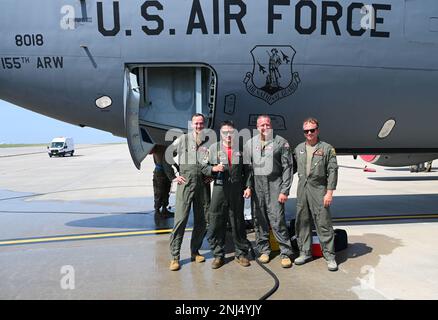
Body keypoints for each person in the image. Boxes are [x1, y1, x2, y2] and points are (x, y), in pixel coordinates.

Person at [202, 121, 252, 269]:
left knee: (237, 221)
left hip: (236, 189)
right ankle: (218, 255)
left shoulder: (241, 149)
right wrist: (214, 168)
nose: (228, 135)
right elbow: (204, 167)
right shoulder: (213, 148)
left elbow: (248, 170)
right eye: (225, 132)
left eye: (231, 132)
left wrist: (248, 186)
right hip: (219, 189)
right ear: (221, 133)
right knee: (217, 221)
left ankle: (241, 254)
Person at [245, 115, 294, 268]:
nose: (264, 128)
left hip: (275, 186)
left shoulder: (281, 142)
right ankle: (264, 250)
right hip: (258, 188)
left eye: (267, 124)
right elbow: (248, 169)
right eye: (261, 125)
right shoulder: (250, 144)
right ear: (257, 127)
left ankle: (285, 252)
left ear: (271, 126)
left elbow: (288, 168)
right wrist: (248, 186)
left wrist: (284, 190)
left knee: (277, 220)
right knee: (260, 221)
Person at [166, 113, 211, 271]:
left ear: (204, 124)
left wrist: (210, 176)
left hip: (203, 186)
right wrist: (174, 176)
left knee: (203, 220)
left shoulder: (208, 140)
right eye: (196, 123)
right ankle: (175, 257)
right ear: (191, 124)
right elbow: (167, 156)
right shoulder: (183, 139)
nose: (199, 126)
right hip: (186, 184)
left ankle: (195, 251)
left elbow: (212, 161)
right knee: (181, 220)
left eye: (201, 123)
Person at [293, 117, 339, 271]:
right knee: (302, 222)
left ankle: (330, 256)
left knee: (323, 223)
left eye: (312, 130)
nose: (309, 133)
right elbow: (290, 168)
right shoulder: (299, 148)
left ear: (317, 130)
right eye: (306, 131)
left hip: (319, 189)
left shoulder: (327, 149)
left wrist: (329, 193)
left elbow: (333, 171)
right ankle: (305, 252)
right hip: (302, 188)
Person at [151, 145, 174, 219]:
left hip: (166, 171)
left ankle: (164, 209)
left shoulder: (167, 144)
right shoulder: (156, 144)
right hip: (160, 171)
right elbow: (150, 151)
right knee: (159, 192)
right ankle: (157, 211)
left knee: (166, 191)